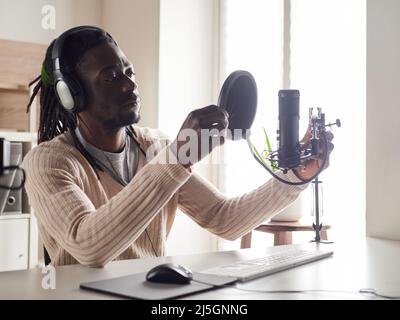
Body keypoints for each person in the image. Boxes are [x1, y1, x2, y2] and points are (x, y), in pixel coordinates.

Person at [23, 26, 334, 267]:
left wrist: (294, 177)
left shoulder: (153, 148)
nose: (130, 84)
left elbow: (224, 219)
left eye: (129, 72)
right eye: (111, 76)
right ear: (71, 94)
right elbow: (88, 246)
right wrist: (175, 160)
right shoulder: (48, 163)